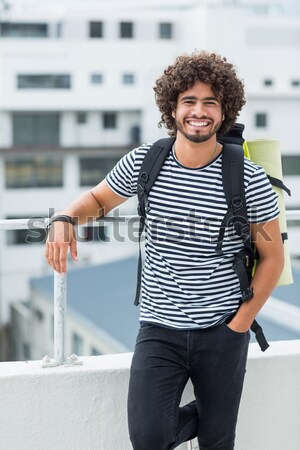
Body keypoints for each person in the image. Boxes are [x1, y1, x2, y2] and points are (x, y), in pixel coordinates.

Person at [45, 51, 284, 450]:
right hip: (160, 329)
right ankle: (209, 411)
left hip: (223, 328)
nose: (199, 111)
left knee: (217, 440)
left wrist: (239, 324)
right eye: (189, 101)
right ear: (172, 109)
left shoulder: (248, 178)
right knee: (150, 438)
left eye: (211, 102)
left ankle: (213, 418)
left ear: (224, 112)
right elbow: (97, 200)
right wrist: (64, 218)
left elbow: (273, 258)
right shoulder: (146, 161)